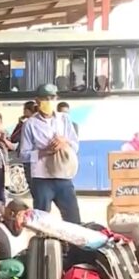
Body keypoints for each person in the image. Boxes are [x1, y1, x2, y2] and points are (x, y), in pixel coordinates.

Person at [20, 84, 81, 224]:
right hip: (42, 180)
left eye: (51, 98)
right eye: (44, 98)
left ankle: (72, 246)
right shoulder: (30, 124)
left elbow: (75, 146)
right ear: (37, 100)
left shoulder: (64, 119)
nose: (48, 101)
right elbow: (24, 155)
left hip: (64, 178)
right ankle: (44, 246)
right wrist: (44, 151)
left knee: (74, 220)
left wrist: (64, 143)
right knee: (41, 223)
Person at [10, 101, 37, 191]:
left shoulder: (26, 124)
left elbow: (14, 137)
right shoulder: (39, 122)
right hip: (39, 158)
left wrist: (20, 123)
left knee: (33, 184)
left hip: (29, 157)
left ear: (27, 111)